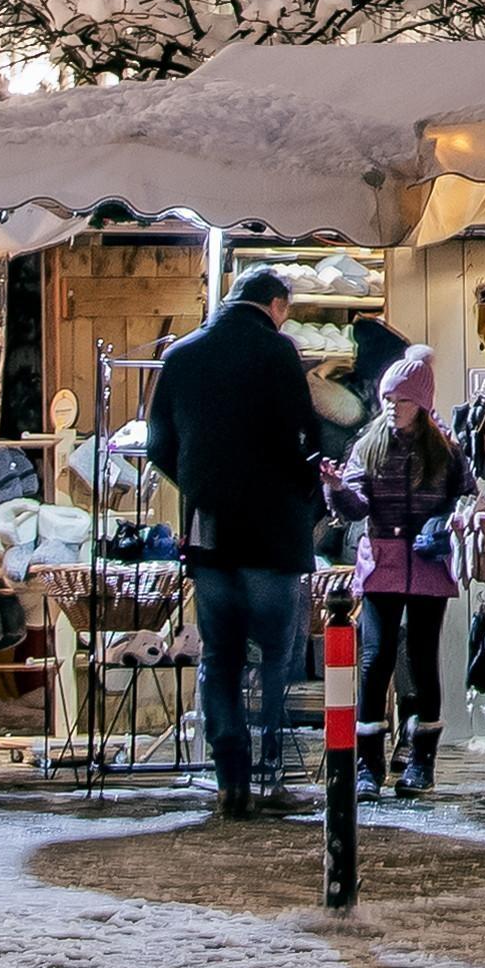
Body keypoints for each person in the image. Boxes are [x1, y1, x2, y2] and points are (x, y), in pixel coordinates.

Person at [149, 267, 338, 821]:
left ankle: (229, 775)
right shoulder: (278, 353)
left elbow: (160, 442)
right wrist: (303, 493)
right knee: (276, 654)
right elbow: (301, 437)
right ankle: (269, 772)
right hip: (272, 533)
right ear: (277, 305)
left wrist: (200, 486)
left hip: (210, 531)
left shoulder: (182, 355)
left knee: (220, 654)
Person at [340, 350, 470, 797]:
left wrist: (445, 522)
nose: (392, 406)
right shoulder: (368, 445)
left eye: (401, 399)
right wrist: (336, 490)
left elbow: (465, 498)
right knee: (375, 660)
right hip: (383, 560)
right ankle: (368, 767)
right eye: (387, 398)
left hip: (428, 563)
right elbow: (355, 506)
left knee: (421, 659)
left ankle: (421, 762)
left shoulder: (447, 449)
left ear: (422, 402)